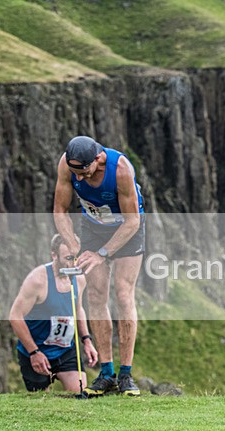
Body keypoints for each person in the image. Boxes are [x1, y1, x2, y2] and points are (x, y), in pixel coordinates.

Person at [53, 135, 145, 396]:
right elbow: (60, 210)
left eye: (84, 172)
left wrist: (102, 254)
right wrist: (72, 244)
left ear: (98, 159)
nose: (79, 179)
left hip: (127, 228)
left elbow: (132, 222)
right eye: (74, 173)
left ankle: (126, 374)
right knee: (95, 295)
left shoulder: (121, 169)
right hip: (93, 227)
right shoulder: (66, 165)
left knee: (123, 293)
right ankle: (106, 373)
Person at [10, 234, 98, 392]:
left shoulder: (79, 278)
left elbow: (78, 309)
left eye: (76, 257)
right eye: (68, 258)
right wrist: (34, 352)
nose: (73, 263)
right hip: (37, 351)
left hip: (66, 350)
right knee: (40, 403)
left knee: (80, 396)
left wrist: (86, 340)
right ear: (54, 255)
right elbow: (15, 317)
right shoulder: (37, 280)